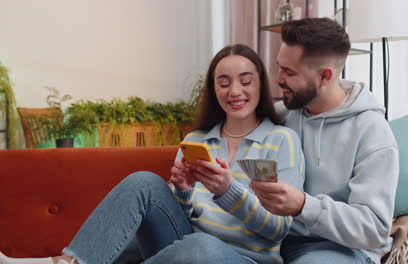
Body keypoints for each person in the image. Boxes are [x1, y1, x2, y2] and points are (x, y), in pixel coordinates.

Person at [0, 44, 304, 264]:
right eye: (223, 83)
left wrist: (228, 190)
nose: (235, 91)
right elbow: (183, 221)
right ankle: (71, 262)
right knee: (143, 181)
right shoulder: (197, 140)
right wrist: (183, 192)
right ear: (214, 90)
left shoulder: (279, 140)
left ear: (260, 84)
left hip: (241, 259)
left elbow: (277, 230)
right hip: (182, 251)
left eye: (245, 81)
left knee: (202, 246)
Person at [249, 18, 399, 264]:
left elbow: (374, 229)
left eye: (289, 72)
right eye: (279, 67)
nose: (278, 78)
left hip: (341, 248)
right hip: (275, 240)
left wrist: (302, 205)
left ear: (325, 76)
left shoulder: (372, 132)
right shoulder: (282, 115)